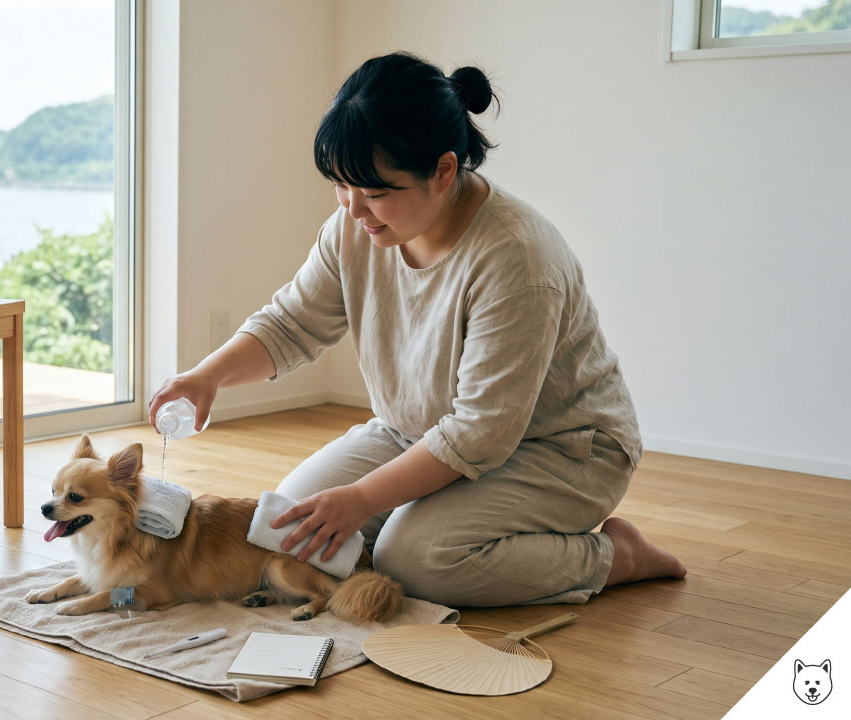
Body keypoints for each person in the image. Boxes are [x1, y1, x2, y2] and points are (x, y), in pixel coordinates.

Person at [147, 51, 686, 607]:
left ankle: (615, 558)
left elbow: (481, 432)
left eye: (376, 192)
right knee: (289, 532)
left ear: (445, 171)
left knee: (418, 560)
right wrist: (206, 376)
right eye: (341, 185)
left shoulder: (518, 259)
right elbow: (292, 322)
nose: (354, 210)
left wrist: (360, 499)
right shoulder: (358, 226)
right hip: (416, 431)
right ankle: (417, 517)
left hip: (557, 448)